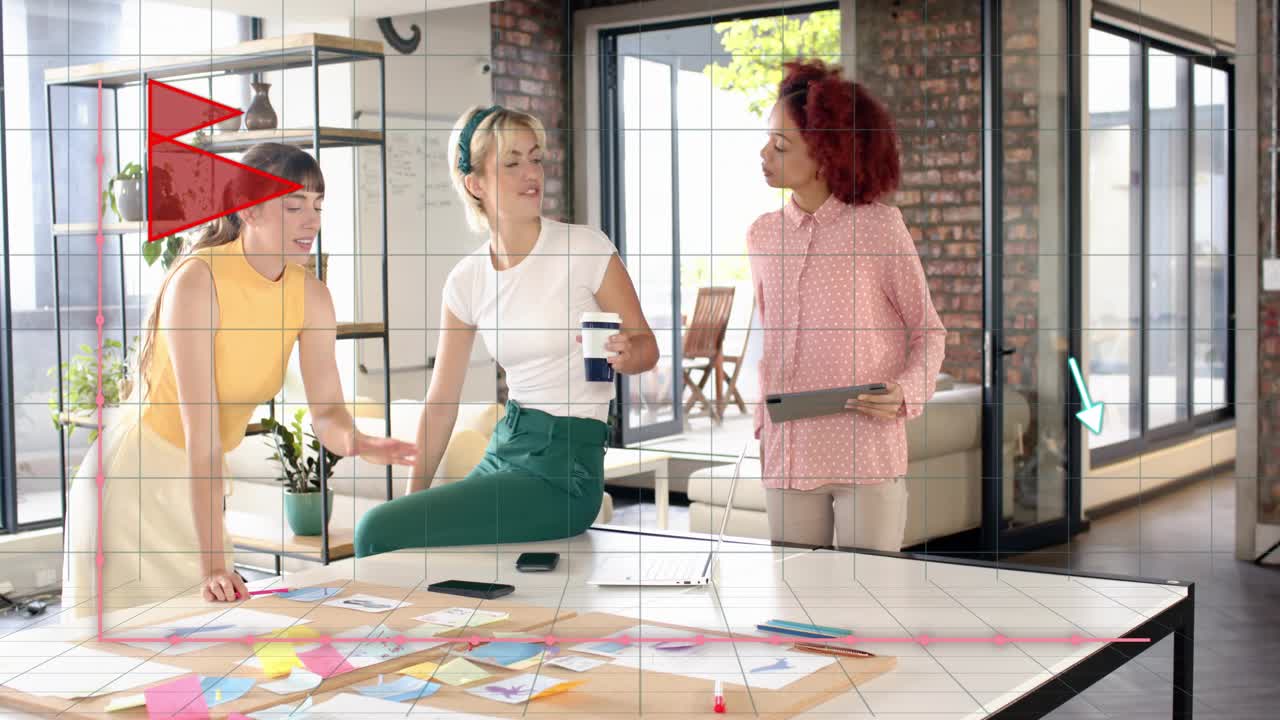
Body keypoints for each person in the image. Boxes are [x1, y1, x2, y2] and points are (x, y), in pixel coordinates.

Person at [63, 143, 417, 617]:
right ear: (248, 211)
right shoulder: (198, 282)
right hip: (133, 485)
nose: (311, 221)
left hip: (197, 486)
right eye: (293, 207)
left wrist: (356, 442)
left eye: (317, 206)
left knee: (206, 661)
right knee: (129, 670)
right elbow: (201, 437)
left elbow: (328, 412)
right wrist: (214, 563)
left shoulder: (311, 297)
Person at [354, 106, 658, 556]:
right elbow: (440, 402)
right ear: (475, 184)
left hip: (565, 469)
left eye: (535, 158)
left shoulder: (584, 247)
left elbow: (646, 346)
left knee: (376, 529)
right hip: (507, 447)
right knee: (400, 531)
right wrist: (414, 500)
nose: (530, 173)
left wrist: (626, 354)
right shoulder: (467, 278)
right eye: (512, 163)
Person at [749, 60, 946, 552]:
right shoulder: (762, 234)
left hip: (866, 448)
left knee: (867, 606)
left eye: (781, 144)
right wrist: (761, 419)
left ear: (825, 154)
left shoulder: (879, 229)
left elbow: (928, 331)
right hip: (789, 451)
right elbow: (768, 337)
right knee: (796, 608)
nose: (764, 153)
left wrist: (906, 391)